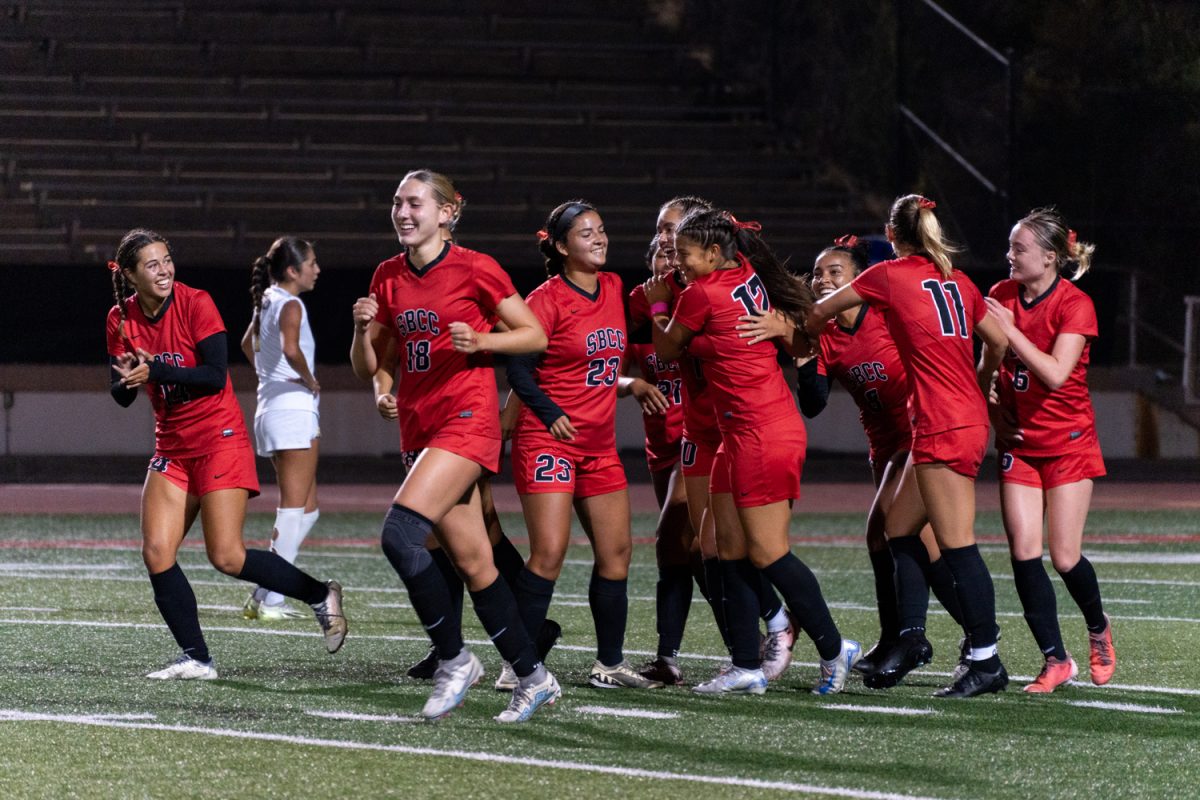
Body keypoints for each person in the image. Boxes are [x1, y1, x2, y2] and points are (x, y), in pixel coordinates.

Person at [350, 169, 558, 723]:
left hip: (466, 421)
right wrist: (359, 332)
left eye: (414, 202)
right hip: (419, 427)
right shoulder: (388, 275)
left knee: (399, 535)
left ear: (446, 213)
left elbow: (534, 333)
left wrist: (484, 340)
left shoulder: (475, 267)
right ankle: (534, 676)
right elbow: (371, 365)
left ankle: (454, 659)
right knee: (475, 562)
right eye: (396, 202)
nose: (402, 212)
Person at [106, 228, 346, 680]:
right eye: (152, 265)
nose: (164, 270)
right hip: (172, 445)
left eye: (167, 260)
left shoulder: (196, 302)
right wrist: (126, 378)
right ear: (132, 276)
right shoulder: (121, 318)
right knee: (157, 551)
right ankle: (197, 658)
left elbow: (215, 375)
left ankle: (319, 594)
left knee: (227, 556)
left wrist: (153, 368)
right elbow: (119, 393)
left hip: (219, 436)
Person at [645, 209, 860, 696]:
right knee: (722, 548)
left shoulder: (700, 292)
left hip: (760, 431)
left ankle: (833, 648)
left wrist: (658, 305)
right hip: (742, 431)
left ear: (715, 254)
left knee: (768, 553)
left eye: (685, 253)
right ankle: (745, 664)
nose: (677, 262)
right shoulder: (743, 271)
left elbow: (665, 350)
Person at [804, 194, 1010, 698]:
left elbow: (817, 315)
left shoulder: (889, 275)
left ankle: (984, 658)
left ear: (892, 236)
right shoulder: (958, 281)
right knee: (899, 530)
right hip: (958, 417)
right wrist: (980, 382)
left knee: (956, 546)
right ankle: (914, 639)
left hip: (941, 421)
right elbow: (998, 343)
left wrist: (784, 324)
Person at [744, 235, 969, 685]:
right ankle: (912, 637)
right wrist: (800, 349)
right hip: (885, 447)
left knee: (900, 534)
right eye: (818, 272)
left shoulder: (887, 314)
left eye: (835, 271)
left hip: (923, 434)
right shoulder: (822, 333)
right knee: (891, 540)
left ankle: (938, 639)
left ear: (859, 278)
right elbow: (814, 403)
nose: (823, 279)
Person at [502, 200, 664, 691]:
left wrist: (630, 383)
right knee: (548, 553)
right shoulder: (546, 300)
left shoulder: (615, 288)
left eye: (601, 228)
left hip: (598, 444)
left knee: (617, 554)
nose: (598, 238)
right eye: (585, 232)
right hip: (547, 439)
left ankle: (609, 665)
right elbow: (518, 371)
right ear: (560, 245)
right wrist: (551, 415)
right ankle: (519, 665)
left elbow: (601, 364)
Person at [652, 197, 797, 686]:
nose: (667, 245)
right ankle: (738, 654)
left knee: (733, 544)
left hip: (739, 425)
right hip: (694, 427)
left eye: (675, 235)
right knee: (703, 547)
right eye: (661, 233)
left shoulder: (722, 281)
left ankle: (776, 627)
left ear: (708, 247)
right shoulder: (660, 286)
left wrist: (787, 329)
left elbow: (797, 323)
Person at [985, 207, 1115, 692]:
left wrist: (1010, 331)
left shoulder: (1075, 304)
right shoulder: (1000, 294)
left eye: (1019, 248)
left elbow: (1057, 374)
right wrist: (988, 388)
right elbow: (986, 363)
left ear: (1051, 256)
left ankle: (1098, 629)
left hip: (1067, 443)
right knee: (1023, 552)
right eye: (1011, 246)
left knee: (1064, 556)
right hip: (1018, 442)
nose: (1009, 255)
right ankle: (1055, 659)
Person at [624, 237, 697, 684]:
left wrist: (660, 311)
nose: (669, 258)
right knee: (688, 556)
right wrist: (632, 381)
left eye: (677, 249)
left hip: (700, 440)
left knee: (673, 542)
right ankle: (669, 658)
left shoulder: (699, 301)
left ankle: (773, 628)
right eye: (661, 251)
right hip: (661, 444)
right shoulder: (638, 308)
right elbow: (610, 364)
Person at [240, 236, 323, 622]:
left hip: (272, 407)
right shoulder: (290, 302)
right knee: (292, 510)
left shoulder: (267, 300)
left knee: (307, 509)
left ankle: (263, 591)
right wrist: (308, 379)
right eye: (311, 263)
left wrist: (267, 377)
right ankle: (271, 599)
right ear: (293, 271)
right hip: (291, 408)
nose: (317, 269)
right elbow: (291, 350)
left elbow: (246, 345)